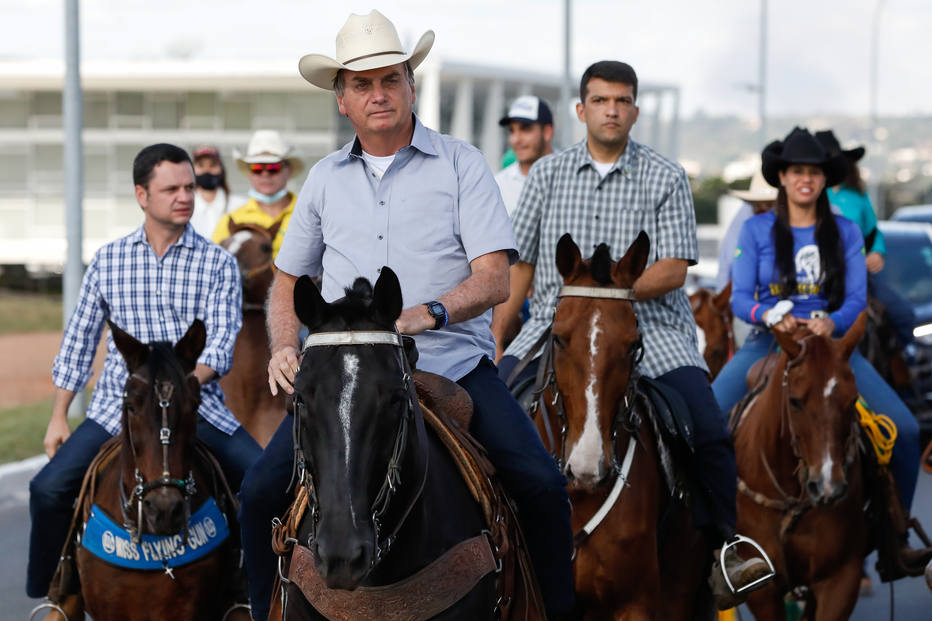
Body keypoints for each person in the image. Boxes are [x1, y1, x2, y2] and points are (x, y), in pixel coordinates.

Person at [238, 10, 574, 621]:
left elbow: (495, 277)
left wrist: (432, 312)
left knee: (542, 485)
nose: (378, 94)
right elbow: (286, 281)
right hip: (340, 373)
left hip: (449, 362)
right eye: (362, 84)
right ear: (342, 100)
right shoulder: (321, 180)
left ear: (410, 85)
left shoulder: (461, 164)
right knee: (260, 490)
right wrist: (286, 347)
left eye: (390, 79)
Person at [492, 60, 773, 609]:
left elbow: (673, 267)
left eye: (621, 101)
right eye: (600, 100)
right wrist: (499, 340)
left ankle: (725, 550)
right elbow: (520, 265)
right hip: (555, 329)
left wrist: (617, 296)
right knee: (485, 418)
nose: (611, 110)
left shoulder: (665, 175)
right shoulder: (546, 176)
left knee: (709, 430)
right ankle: (478, 547)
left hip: (654, 329)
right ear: (581, 110)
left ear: (636, 110)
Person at [26, 144, 262, 603]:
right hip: (121, 405)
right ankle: (55, 597)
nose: (184, 197)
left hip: (198, 405)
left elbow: (221, 344)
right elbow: (79, 342)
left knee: (263, 483)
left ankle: (247, 593)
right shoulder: (108, 260)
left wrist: (184, 388)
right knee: (47, 488)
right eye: (171, 188)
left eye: (189, 187)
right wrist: (59, 415)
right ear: (142, 195)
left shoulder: (217, 263)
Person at [712, 126, 928, 570]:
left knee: (904, 431)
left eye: (812, 171)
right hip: (766, 342)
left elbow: (854, 298)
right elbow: (739, 298)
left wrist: (832, 320)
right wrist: (769, 315)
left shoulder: (846, 231)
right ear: (783, 178)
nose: (804, 179)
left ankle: (894, 538)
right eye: (796, 171)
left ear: (824, 179)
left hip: (829, 348)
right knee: (705, 425)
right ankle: (711, 543)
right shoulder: (756, 229)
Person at [815, 130, 915, 348]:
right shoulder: (812, 196)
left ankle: (905, 363)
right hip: (820, 277)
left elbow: (873, 231)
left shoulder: (858, 196)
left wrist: (877, 252)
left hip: (859, 272)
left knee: (903, 314)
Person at [211, 130, 304, 257]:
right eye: (257, 168)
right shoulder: (231, 221)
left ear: (289, 170)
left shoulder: (310, 215)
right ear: (249, 173)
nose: (265, 174)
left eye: (273, 168)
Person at [716, 169, 777, 293]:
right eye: (757, 206)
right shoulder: (747, 224)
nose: (762, 211)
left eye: (770, 205)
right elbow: (728, 261)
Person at [495, 95, 554, 217]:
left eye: (526, 129)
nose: (516, 139)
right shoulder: (497, 186)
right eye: (512, 130)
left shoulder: (573, 177)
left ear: (547, 132)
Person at [189, 145, 245, 238]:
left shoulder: (239, 205)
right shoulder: (184, 207)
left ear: (221, 170)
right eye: (201, 165)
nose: (207, 170)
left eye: (212, 165)